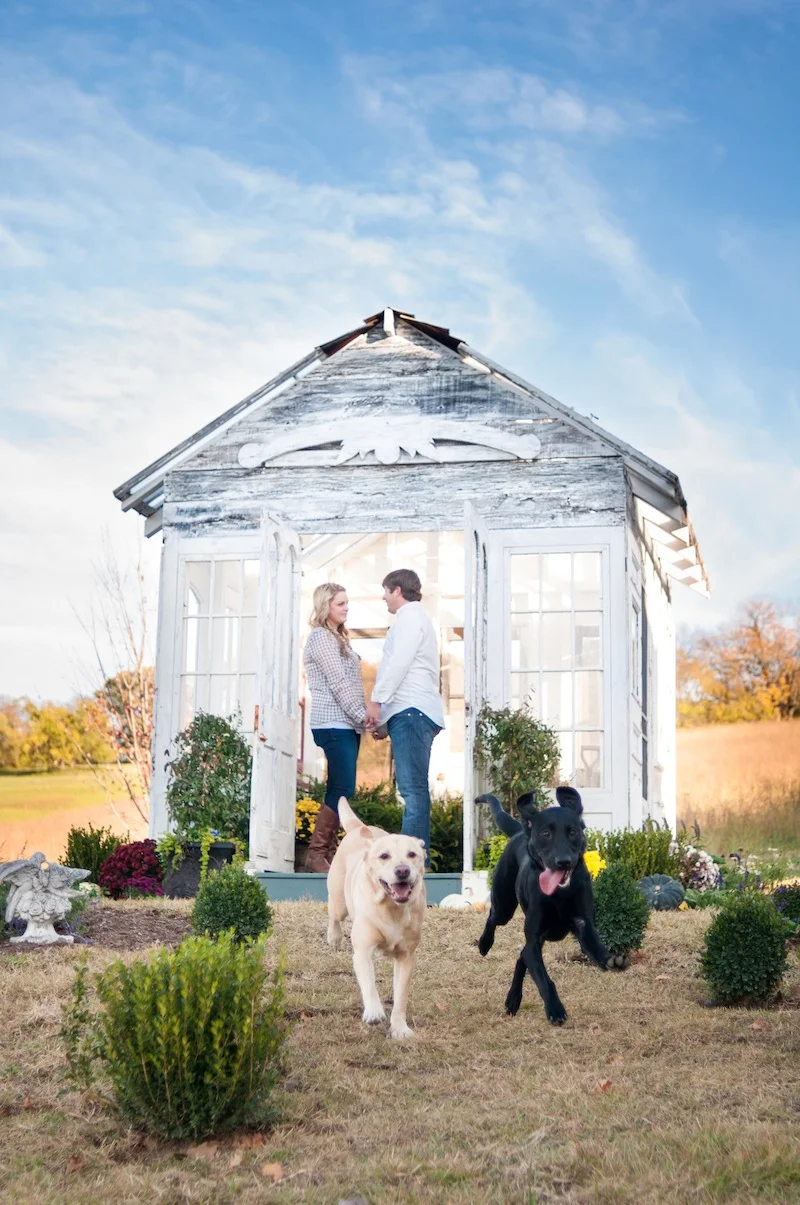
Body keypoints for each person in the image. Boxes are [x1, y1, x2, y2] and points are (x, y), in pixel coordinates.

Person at [365, 569, 444, 864]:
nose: (383, 597)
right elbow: (403, 672)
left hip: (413, 712)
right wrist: (386, 720)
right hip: (410, 712)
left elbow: (397, 665)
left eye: (385, 591)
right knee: (413, 791)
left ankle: (409, 865)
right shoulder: (414, 618)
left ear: (397, 590)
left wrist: (376, 702)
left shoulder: (410, 618)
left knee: (413, 792)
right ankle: (412, 862)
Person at [303, 582, 367, 873]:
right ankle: (317, 853)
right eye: (340, 603)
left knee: (341, 788)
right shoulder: (320, 638)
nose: (346, 608)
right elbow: (339, 683)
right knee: (343, 786)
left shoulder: (337, 637)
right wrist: (361, 716)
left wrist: (360, 719)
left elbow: (351, 684)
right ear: (325, 605)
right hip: (333, 722)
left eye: (346, 602)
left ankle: (324, 853)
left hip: (347, 723)